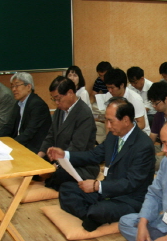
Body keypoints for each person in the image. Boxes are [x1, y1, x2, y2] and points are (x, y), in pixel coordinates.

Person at [48, 98, 155, 231]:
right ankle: (91, 216)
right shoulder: (113, 136)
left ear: (126, 120)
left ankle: (94, 214)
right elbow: (93, 155)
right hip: (106, 192)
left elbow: (131, 183)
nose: (107, 126)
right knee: (66, 190)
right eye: (106, 120)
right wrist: (64, 155)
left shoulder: (143, 145)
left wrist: (97, 185)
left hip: (129, 199)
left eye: (111, 121)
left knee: (99, 210)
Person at [38, 76, 98, 191]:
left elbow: (77, 148)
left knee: (59, 177)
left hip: (79, 164)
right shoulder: (59, 111)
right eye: (53, 99)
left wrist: (55, 167)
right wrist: (39, 157)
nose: (56, 103)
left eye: (58, 98)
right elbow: (50, 136)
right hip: (58, 160)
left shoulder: (84, 113)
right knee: (34, 169)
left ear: (70, 93)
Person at [1, 72, 51, 153]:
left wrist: (11, 145)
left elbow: (29, 132)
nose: (13, 89)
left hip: (34, 148)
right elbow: (9, 126)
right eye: (12, 86)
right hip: (21, 144)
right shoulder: (18, 104)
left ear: (28, 87)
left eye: (17, 86)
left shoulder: (38, 105)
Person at [102, 68, 150, 135]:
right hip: (118, 131)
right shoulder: (108, 96)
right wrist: (108, 138)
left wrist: (122, 132)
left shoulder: (135, 99)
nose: (109, 90)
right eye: (108, 87)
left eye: (112, 88)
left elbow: (141, 124)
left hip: (138, 133)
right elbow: (108, 120)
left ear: (122, 85)